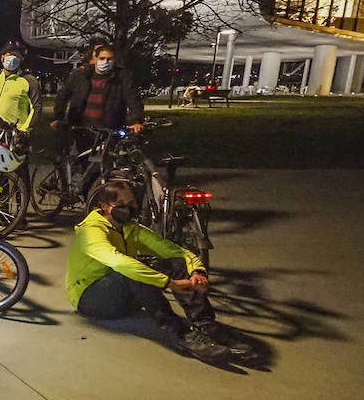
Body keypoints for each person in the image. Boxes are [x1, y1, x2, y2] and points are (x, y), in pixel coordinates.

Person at [67, 181, 250, 364]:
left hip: (125, 299)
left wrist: (197, 271)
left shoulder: (132, 228)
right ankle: (183, 335)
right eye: (121, 205)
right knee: (131, 270)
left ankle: (205, 324)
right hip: (91, 300)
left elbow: (176, 251)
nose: (129, 209)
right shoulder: (90, 232)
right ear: (105, 207)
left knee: (174, 263)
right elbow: (120, 263)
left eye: (132, 203)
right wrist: (170, 283)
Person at [52, 43, 145, 139]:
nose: (105, 62)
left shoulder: (122, 77)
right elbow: (62, 96)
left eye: (109, 59)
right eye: (102, 58)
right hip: (80, 129)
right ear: (95, 59)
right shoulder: (79, 76)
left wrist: (135, 121)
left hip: (109, 132)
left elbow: (133, 99)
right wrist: (59, 117)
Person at [0, 41, 37, 133]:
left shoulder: (29, 80)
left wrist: (24, 130)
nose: (13, 58)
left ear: (21, 59)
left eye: (17, 56)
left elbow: (36, 107)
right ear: (2, 58)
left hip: (16, 134)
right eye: (9, 54)